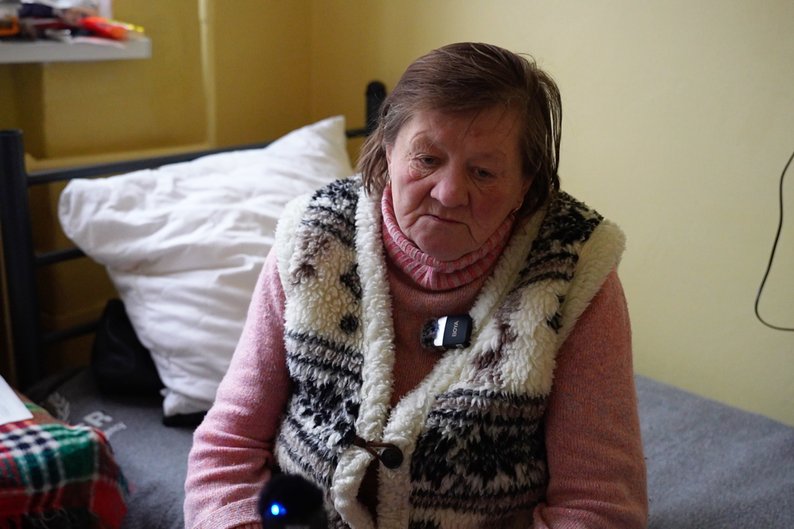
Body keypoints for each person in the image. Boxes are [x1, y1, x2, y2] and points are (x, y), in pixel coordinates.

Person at [184, 42, 648, 529]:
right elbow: (228, 446)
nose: (448, 194)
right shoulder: (313, 239)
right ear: (388, 148)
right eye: (427, 159)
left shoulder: (572, 273)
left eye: (483, 172)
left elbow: (598, 506)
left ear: (525, 185)